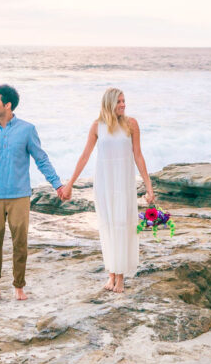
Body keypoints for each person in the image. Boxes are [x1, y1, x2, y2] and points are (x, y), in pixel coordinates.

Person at [0, 84, 66, 304]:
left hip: (19, 196)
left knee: (20, 243)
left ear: (7, 105)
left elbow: (41, 159)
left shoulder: (27, 129)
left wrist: (57, 185)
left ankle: (18, 286)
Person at [61, 88, 154, 293]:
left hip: (123, 184)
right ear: (109, 103)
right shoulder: (97, 126)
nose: (123, 104)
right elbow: (85, 156)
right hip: (104, 184)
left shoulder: (132, 124)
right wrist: (69, 184)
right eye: (119, 101)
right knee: (108, 226)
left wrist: (148, 187)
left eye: (124, 101)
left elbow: (138, 155)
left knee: (122, 225)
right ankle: (111, 273)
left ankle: (120, 277)